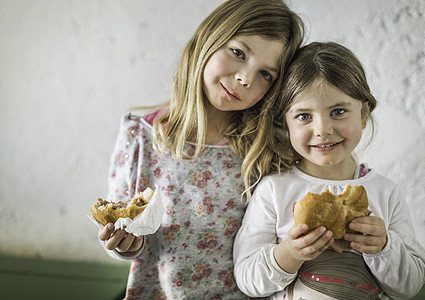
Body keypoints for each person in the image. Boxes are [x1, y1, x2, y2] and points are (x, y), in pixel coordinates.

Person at [96, 0, 305, 299]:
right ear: (209, 39)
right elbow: (119, 225)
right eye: (238, 53)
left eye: (265, 74)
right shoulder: (139, 135)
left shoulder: (269, 151)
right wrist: (125, 244)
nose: (245, 78)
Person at [233, 42, 425, 300]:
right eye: (304, 116)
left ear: (363, 114)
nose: (322, 129)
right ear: (285, 122)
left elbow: (411, 285)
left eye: (338, 111)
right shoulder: (274, 190)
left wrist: (384, 247)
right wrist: (290, 254)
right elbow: (247, 279)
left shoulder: (386, 192)